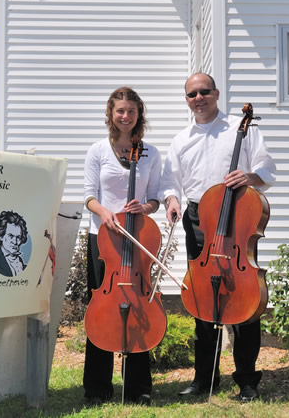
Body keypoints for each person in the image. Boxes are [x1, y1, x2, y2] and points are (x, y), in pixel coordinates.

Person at [161, 72, 276, 402]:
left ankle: (247, 381)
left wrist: (249, 175)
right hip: (199, 218)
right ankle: (205, 379)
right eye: (192, 94)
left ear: (216, 93)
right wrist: (171, 201)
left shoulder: (243, 129)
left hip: (238, 216)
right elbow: (172, 181)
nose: (199, 98)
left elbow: (266, 170)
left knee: (244, 300)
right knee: (202, 300)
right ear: (187, 100)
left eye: (204, 91)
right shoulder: (181, 139)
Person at [82, 86, 161, 406]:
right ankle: (98, 387)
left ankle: (138, 386)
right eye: (120, 111)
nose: (125, 116)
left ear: (138, 113)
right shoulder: (98, 150)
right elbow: (89, 196)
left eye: (131, 110)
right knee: (101, 310)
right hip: (103, 241)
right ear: (111, 114)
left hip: (137, 238)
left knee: (139, 306)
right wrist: (105, 213)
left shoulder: (151, 153)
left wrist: (146, 208)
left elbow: (154, 197)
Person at [0, 211, 29, 276]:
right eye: (11, 236)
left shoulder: (23, 264)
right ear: (1, 236)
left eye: (18, 237)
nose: (15, 242)